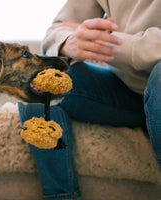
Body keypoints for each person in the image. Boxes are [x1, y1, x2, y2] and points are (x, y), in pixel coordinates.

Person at [17, 0, 161, 199]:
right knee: (38, 79)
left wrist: (108, 42)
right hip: (125, 90)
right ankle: (62, 196)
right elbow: (57, 30)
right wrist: (70, 41)